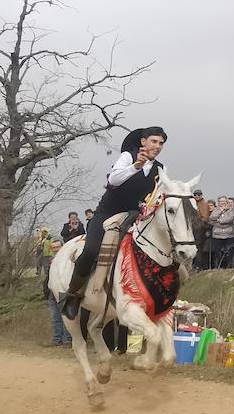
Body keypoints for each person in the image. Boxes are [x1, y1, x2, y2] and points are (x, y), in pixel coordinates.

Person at [64, 126, 168, 309]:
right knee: (90, 250)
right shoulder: (128, 156)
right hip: (107, 212)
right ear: (143, 142)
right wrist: (136, 167)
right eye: (154, 141)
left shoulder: (161, 168)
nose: (158, 146)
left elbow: (158, 194)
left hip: (135, 215)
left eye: (161, 143)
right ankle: (74, 292)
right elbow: (113, 180)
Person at [42, 240, 71, 345]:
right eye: (53, 248)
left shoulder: (67, 259)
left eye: (58, 247)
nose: (56, 249)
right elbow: (47, 276)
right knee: (55, 317)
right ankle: (57, 339)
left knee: (65, 316)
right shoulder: (50, 260)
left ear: (62, 247)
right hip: (51, 292)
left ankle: (68, 340)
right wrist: (46, 289)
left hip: (62, 290)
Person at [209, 197, 234, 268]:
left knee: (229, 252)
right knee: (218, 253)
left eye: (224, 201)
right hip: (217, 235)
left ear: (227, 202)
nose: (222, 202)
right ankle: (218, 267)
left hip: (229, 234)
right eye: (221, 201)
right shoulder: (215, 210)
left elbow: (230, 219)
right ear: (218, 202)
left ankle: (229, 267)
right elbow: (211, 219)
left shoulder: (231, 210)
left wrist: (219, 221)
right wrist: (220, 211)